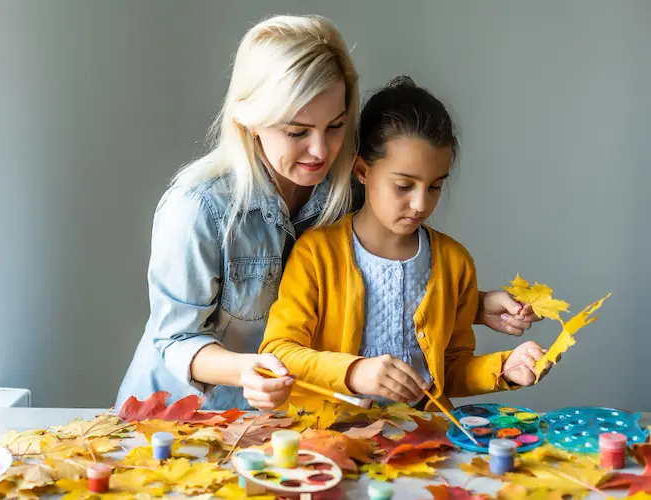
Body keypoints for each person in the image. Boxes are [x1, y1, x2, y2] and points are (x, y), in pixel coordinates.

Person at [116, 15, 539, 412]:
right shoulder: (198, 207)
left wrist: (474, 305)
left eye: (335, 126)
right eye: (297, 132)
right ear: (249, 120)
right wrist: (249, 368)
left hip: (280, 425)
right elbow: (176, 337)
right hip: (179, 416)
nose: (321, 151)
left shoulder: (348, 191)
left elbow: (374, 284)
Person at [259, 76, 553, 411]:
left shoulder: (453, 263)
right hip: (334, 440)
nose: (420, 205)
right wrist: (354, 372)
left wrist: (506, 368)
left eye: (434, 187)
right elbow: (278, 352)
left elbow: (449, 371)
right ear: (362, 170)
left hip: (424, 442)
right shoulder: (317, 254)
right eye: (403, 185)